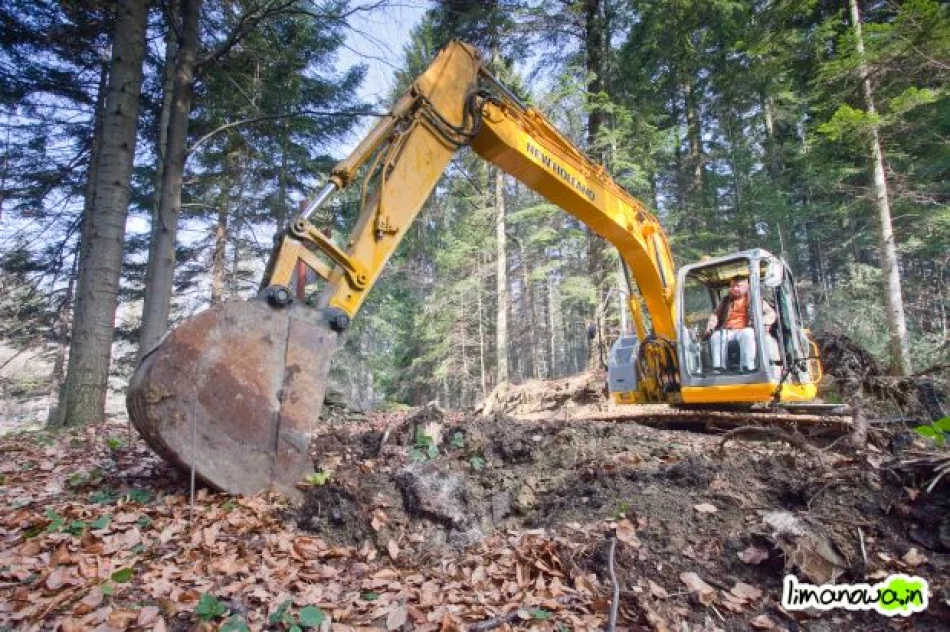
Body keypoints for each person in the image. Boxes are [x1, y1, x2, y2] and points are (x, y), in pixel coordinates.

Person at [703, 274, 776, 373]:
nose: (734, 288)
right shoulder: (726, 300)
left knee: (748, 333)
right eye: (733, 286)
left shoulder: (754, 299)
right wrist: (710, 328)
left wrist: (763, 323)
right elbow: (715, 315)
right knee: (716, 336)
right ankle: (719, 369)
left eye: (738, 286)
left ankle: (747, 368)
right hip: (728, 331)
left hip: (745, 329)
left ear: (747, 286)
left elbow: (771, 313)